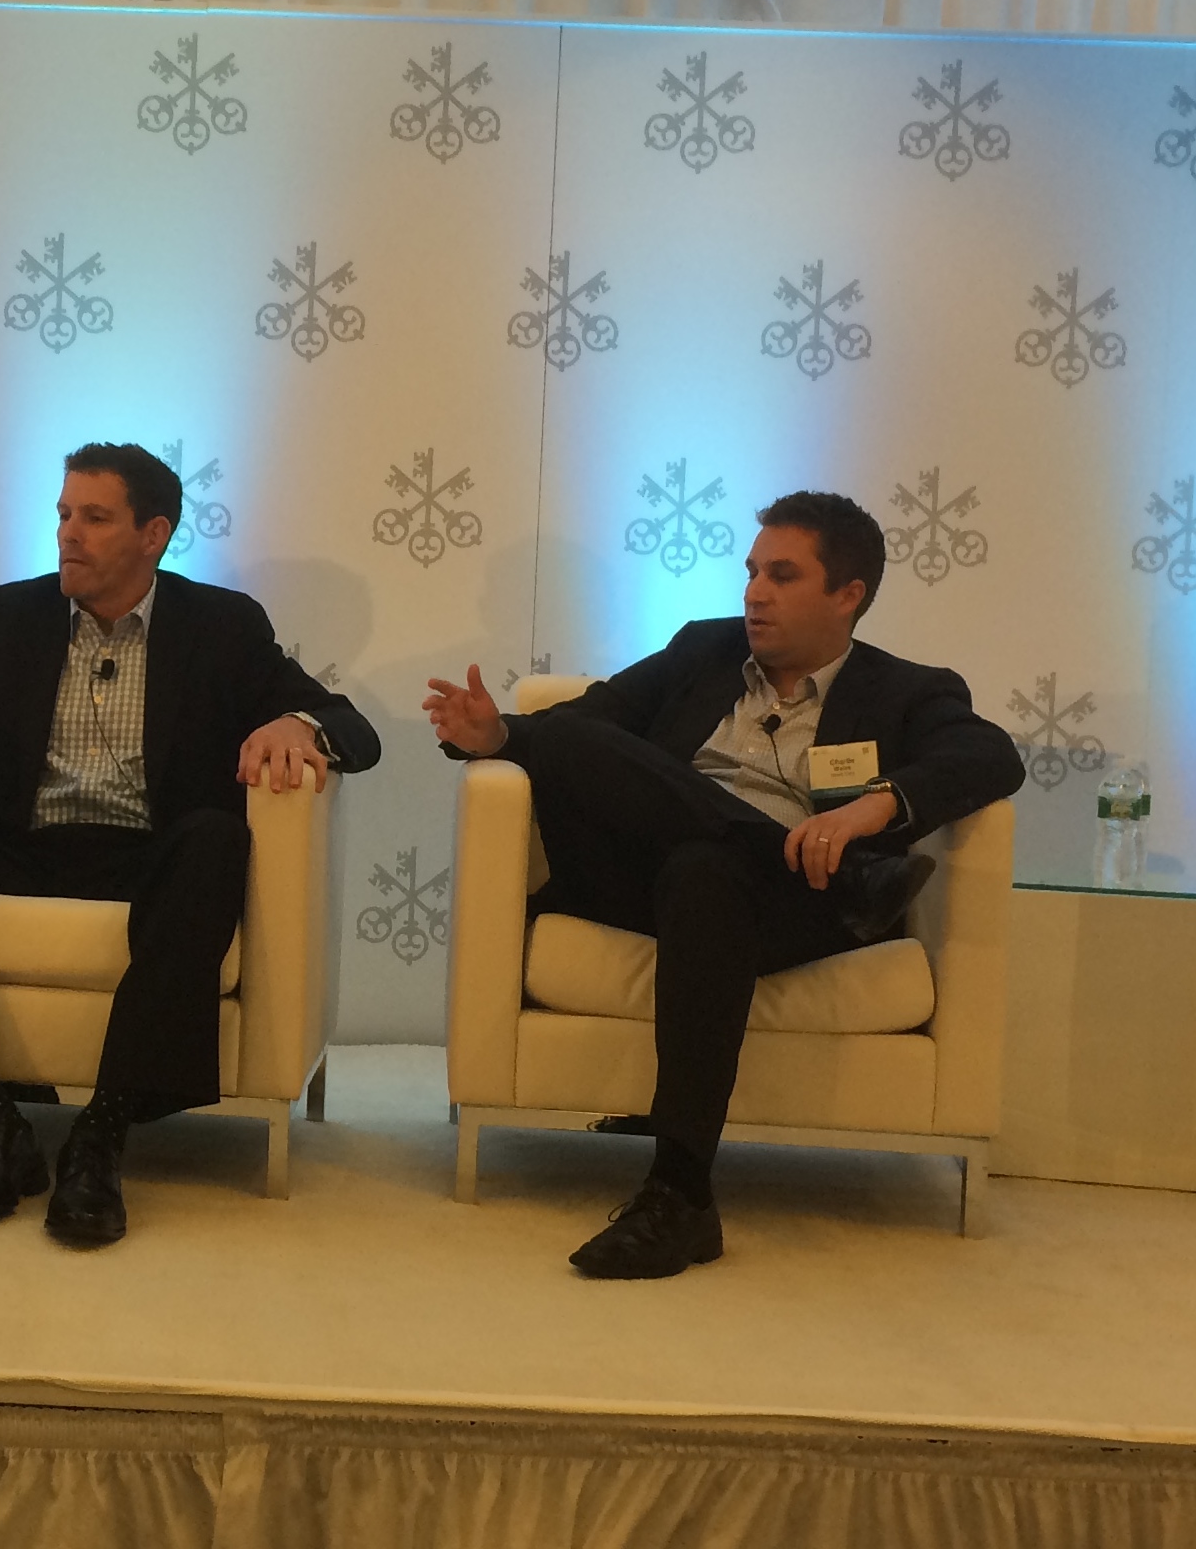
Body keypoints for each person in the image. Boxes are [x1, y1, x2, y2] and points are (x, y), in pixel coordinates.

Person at [424, 491, 1023, 1279]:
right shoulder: (702, 651)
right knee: (572, 735)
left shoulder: (905, 691)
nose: (754, 593)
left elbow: (990, 757)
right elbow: (585, 724)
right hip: (640, 879)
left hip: (783, 904)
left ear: (847, 595)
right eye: (750, 572)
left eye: (782, 575)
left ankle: (678, 1194)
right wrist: (496, 733)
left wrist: (873, 807)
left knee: (703, 871)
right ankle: (834, 874)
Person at [0, 442, 381, 1247]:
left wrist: (295, 722)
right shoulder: (6, 617)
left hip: (147, 859)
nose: (68, 534)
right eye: (64, 514)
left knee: (216, 839)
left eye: (95, 517)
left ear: (153, 534)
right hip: (20, 849)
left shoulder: (220, 627)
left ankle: (101, 1134)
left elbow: (352, 728)